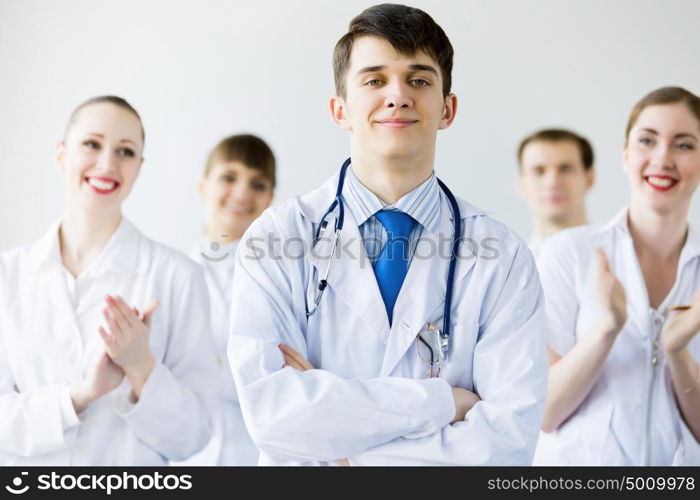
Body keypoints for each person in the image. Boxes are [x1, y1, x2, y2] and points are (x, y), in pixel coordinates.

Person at [227, 3, 547, 466]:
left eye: (419, 80)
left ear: (448, 108)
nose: (397, 96)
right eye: (374, 80)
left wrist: (343, 450)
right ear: (341, 110)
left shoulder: (503, 256)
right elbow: (274, 418)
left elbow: (507, 445)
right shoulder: (275, 239)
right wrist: (444, 403)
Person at [0, 96, 219, 465]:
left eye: (125, 151)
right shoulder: (9, 275)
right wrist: (80, 395)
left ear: (139, 167)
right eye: (92, 144)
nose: (107, 164)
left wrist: (141, 368)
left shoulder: (178, 276)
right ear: (61, 154)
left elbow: (193, 437)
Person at [535, 86, 700, 465]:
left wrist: (677, 352)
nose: (662, 159)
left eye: (684, 145)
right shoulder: (568, 253)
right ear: (626, 155)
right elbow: (545, 413)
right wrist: (607, 326)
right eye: (647, 141)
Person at [187, 134, 275, 465]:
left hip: (254, 454)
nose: (241, 193)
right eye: (228, 177)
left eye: (257, 183)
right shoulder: (170, 275)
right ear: (203, 185)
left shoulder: (282, 278)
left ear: (269, 198)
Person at [517, 129, 595, 256]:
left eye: (565, 169)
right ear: (521, 184)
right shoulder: (507, 270)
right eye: (539, 171)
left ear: (589, 179)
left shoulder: (621, 257)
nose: (552, 182)